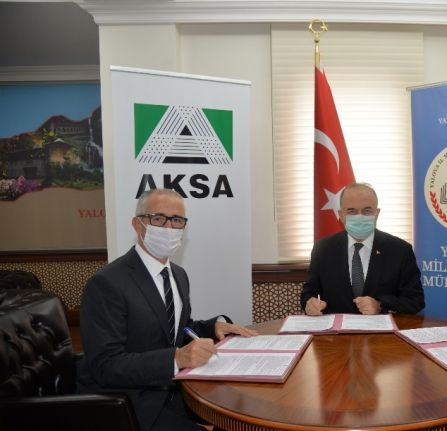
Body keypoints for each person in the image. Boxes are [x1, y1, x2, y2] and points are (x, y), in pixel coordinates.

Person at [78, 188, 257, 431]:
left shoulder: (178, 275)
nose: (169, 228)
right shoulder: (107, 283)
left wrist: (213, 326)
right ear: (138, 225)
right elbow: (106, 365)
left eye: (177, 220)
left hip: (176, 390)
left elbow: (176, 329)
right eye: (159, 218)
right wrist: (176, 358)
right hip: (132, 403)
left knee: (240, 415)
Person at [301, 182, 425, 315]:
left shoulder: (400, 250)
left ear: (377, 213)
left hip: (381, 328)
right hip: (336, 328)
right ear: (341, 215)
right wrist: (310, 303)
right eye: (352, 211)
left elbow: (415, 301)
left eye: (367, 211)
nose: (359, 216)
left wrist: (380, 305)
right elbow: (308, 293)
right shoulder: (323, 249)